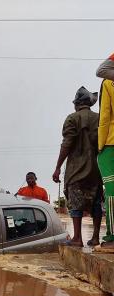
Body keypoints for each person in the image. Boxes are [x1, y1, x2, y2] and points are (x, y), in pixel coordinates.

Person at [52, 86, 102, 247]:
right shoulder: (99, 118)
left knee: (75, 202)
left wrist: (58, 167)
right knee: (96, 202)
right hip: (96, 168)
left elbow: (67, 144)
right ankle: (95, 238)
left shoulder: (72, 118)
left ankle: (77, 238)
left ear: (77, 104)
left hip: (76, 169)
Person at [94, 54, 114, 251]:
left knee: (112, 191)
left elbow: (105, 116)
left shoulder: (109, 83)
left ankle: (112, 237)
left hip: (110, 144)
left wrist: (100, 147)